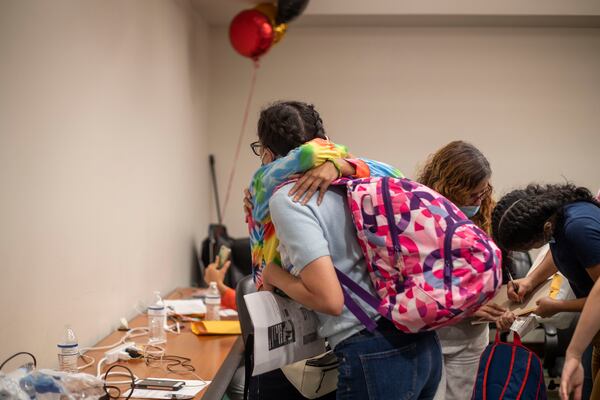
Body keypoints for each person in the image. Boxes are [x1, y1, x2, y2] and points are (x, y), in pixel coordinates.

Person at [252, 100, 442, 399]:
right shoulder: (363, 174)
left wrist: (275, 276)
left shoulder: (288, 198)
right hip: (423, 343)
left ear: (266, 153)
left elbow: (330, 300)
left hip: (375, 351)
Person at [416, 141, 515, 400]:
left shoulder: (485, 212)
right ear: (450, 188)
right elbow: (417, 283)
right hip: (431, 336)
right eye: (473, 196)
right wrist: (468, 306)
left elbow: (497, 270)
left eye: (483, 193)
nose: (479, 201)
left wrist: (507, 299)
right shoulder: (417, 214)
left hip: (471, 337)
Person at [492, 183, 600, 399]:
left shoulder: (577, 227)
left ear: (540, 231)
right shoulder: (560, 216)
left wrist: (560, 307)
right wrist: (531, 281)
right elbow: (564, 250)